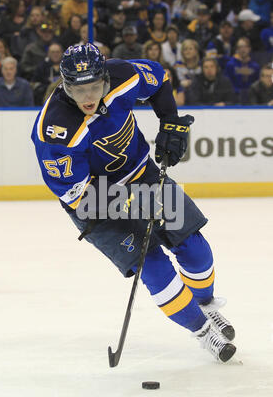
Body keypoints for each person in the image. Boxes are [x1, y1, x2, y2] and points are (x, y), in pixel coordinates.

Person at [31, 43, 237, 363]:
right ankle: (201, 330)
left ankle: (207, 305)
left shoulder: (123, 75)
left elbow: (159, 78)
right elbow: (74, 193)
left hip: (142, 175)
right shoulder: (55, 131)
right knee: (151, 262)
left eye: (95, 87)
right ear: (64, 85)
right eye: (77, 90)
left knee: (193, 245)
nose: (87, 98)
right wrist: (130, 202)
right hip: (94, 202)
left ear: (106, 79)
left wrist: (169, 121)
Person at [225, 36, 260, 104]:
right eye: (240, 47)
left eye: (245, 46)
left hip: (252, 99)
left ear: (249, 48)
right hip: (234, 98)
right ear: (237, 49)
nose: (243, 49)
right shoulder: (230, 65)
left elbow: (257, 84)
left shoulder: (255, 66)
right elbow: (227, 84)